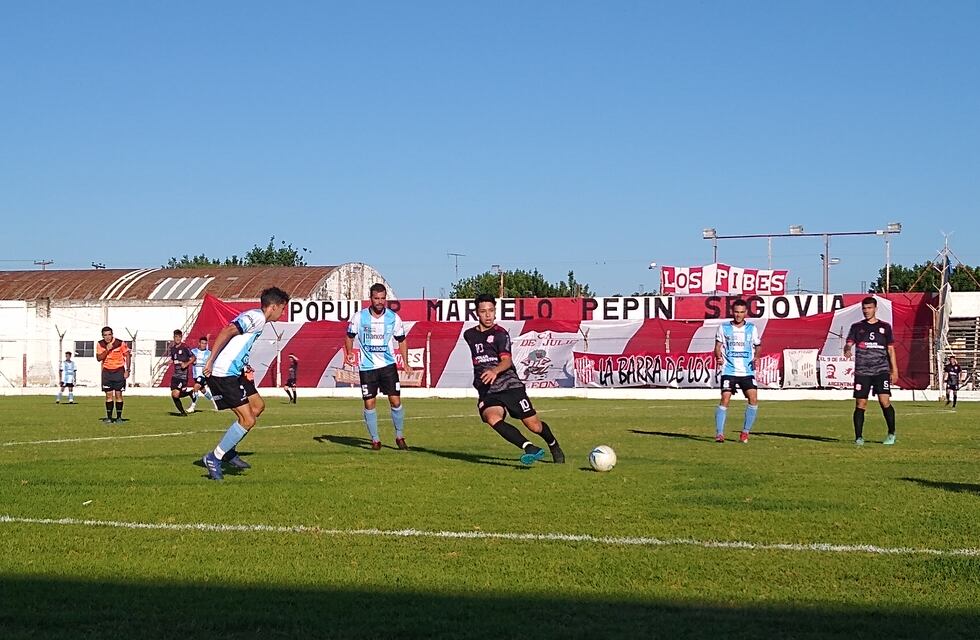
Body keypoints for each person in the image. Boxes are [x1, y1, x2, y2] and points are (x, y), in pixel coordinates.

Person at [462, 294, 565, 465]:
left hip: (510, 386)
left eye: (491, 311)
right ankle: (529, 447)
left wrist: (495, 371)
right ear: (477, 314)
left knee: (534, 426)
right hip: (488, 390)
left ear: (495, 312)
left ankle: (553, 444)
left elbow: (507, 361)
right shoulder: (469, 335)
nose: (488, 315)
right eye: (483, 311)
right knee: (491, 417)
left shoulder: (500, 334)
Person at [201, 286, 290, 480]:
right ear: (273, 306)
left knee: (258, 406)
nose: (283, 314)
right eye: (283, 309)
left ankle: (228, 451)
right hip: (225, 373)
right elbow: (228, 330)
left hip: (237, 371)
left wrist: (244, 364)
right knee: (248, 419)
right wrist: (210, 359)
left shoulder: (259, 319)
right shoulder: (257, 317)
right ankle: (214, 457)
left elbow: (238, 342)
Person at [344, 283, 413, 450]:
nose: (380, 302)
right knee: (369, 403)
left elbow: (401, 340)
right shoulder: (359, 317)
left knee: (395, 401)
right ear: (371, 299)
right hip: (367, 367)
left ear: (386, 299)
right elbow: (349, 336)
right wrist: (349, 352)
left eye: (382, 298)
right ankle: (375, 440)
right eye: (376, 298)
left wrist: (406, 362)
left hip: (388, 366)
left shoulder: (393, 318)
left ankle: (399, 436)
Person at [844, 297, 898, 446]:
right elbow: (848, 343)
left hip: (881, 370)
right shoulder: (857, 327)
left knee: (884, 401)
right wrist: (847, 349)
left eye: (869, 308)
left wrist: (894, 370)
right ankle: (859, 437)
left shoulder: (885, 327)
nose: (866, 311)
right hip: (863, 371)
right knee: (861, 403)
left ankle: (892, 433)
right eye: (864, 308)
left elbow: (891, 349)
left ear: (875, 309)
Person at [713, 299, 762, 443]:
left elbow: (758, 345)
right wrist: (718, 357)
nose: (739, 315)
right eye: (736, 312)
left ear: (746, 313)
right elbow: (717, 346)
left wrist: (757, 357)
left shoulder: (752, 328)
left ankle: (745, 432)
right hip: (729, 370)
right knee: (725, 399)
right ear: (732, 312)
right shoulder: (724, 328)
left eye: (741, 312)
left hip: (747, 371)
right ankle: (720, 434)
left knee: (753, 399)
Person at [97, 326, 131, 423]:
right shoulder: (100, 344)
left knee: (118, 395)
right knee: (108, 395)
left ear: (112, 334)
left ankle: (119, 417)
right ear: (102, 336)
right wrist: (106, 350)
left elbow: (127, 355)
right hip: (107, 372)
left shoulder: (120, 343)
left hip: (119, 371)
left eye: (109, 334)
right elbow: (99, 358)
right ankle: (109, 417)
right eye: (105, 335)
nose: (107, 337)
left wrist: (127, 370)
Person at [169, 330, 195, 416]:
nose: (177, 339)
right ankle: (183, 413)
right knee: (174, 395)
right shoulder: (172, 349)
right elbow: (173, 360)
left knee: (176, 394)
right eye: (176, 337)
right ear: (174, 338)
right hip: (175, 375)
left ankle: (189, 393)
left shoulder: (185, 347)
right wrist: (164, 364)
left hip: (183, 376)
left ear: (181, 337)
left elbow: (193, 358)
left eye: (179, 337)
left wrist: (186, 364)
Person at [188, 336, 215, 412]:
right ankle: (214, 401)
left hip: (203, 375)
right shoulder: (193, 351)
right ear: (199, 343)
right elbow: (189, 359)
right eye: (202, 343)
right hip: (195, 374)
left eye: (205, 343)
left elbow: (212, 363)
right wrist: (192, 361)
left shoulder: (209, 353)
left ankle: (192, 406)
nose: (204, 345)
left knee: (196, 387)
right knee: (202, 390)